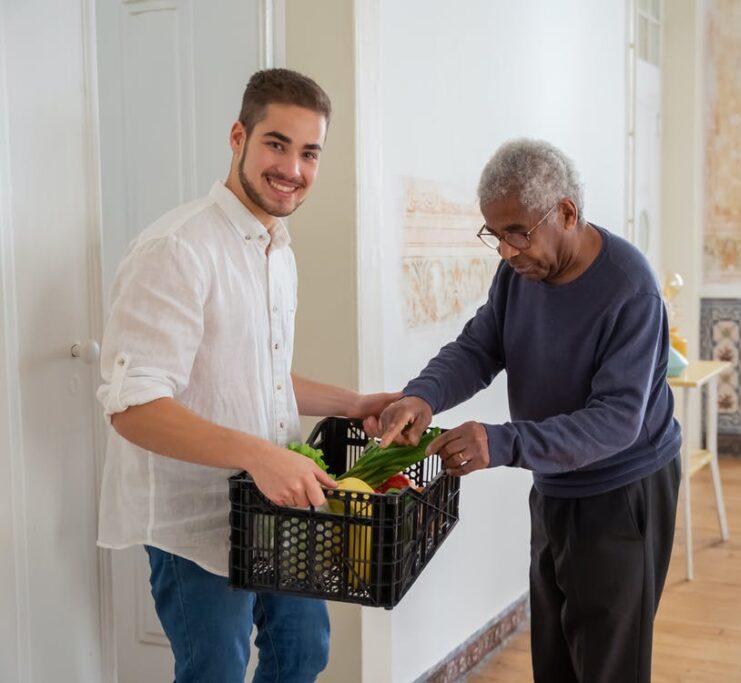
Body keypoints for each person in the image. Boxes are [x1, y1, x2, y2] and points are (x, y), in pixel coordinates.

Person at [96, 68, 398, 683]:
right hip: (195, 518)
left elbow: (257, 373)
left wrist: (353, 400)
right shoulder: (177, 250)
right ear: (238, 137)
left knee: (302, 651)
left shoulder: (276, 249)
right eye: (276, 144)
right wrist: (261, 455)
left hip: (275, 504)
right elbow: (133, 407)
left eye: (309, 152)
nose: (292, 167)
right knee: (215, 671)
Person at [367, 138, 682, 682]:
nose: (507, 251)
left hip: (622, 494)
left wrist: (502, 441)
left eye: (518, 232)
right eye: (496, 234)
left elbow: (616, 419)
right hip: (555, 483)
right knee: (555, 657)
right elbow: (479, 347)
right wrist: (422, 395)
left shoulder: (631, 289)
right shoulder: (518, 275)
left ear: (566, 212)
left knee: (609, 666)